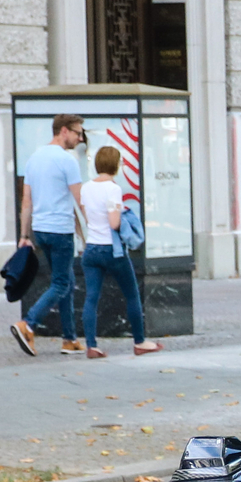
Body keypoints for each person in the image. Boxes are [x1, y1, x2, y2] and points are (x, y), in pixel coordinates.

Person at [9, 113, 86, 356]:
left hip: (40, 230)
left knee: (65, 281)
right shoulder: (67, 160)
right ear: (64, 131)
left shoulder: (34, 159)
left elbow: (26, 201)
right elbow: (80, 199)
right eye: (77, 132)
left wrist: (24, 235)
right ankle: (28, 324)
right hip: (60, 229)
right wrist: (94, 229)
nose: (80, 138)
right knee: (62, 282)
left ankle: (70, 339)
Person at [77, 146, 161, 360]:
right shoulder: (113, 189)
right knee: (131, 294)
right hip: (111, 251)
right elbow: (114, 222)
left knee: (91, 298)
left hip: (91, 249)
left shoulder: (85, 188)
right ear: (115, 165)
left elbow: (88, 218)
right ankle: (140, 342)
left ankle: (91, 345)